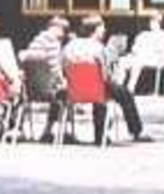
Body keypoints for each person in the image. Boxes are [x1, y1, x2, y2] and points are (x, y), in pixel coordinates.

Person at [61, 16, 150, 144]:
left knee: (101, 91)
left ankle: (100, 134)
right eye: (102, 28)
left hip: (73, 90)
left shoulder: (69, 46)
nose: (104, 30)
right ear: (95, 30)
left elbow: (63, 67)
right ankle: (135, 131)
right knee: (124, 94)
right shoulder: (98, 48)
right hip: (97, 89)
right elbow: (105, 73)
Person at [121, 12, 164, 92]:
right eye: (151, 21)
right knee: (122, 61)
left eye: (154, 21)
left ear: (160, 23)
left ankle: (130, 89)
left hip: (155, 59)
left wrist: (145, 52)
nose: (152, 23)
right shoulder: (144, 34)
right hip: (140, 57)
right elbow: (135, 48)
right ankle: (118, 87)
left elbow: (162, 52)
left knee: (137, 62)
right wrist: (137, 51)